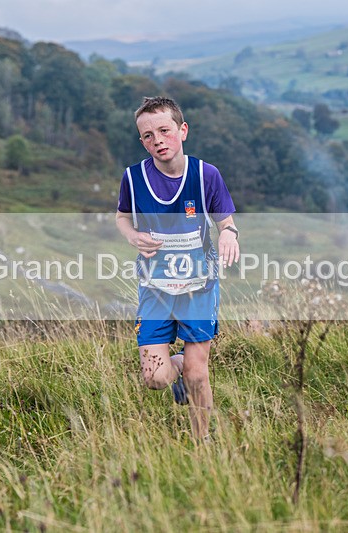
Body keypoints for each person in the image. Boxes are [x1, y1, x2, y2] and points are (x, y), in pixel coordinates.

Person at [115, 96, 240, 440]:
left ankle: (203, 442)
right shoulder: (133, 177)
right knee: (154, 379)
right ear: (142, 141)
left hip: (199, 286)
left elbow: (225, 222)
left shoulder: (206, 176)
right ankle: (181, 365)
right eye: (147, 135)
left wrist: (229, 235)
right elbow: (122, 217)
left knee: (199, 377)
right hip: (155, 288)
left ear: (182, 131)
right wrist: (131, 236)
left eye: (164, 131)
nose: (157, 140)